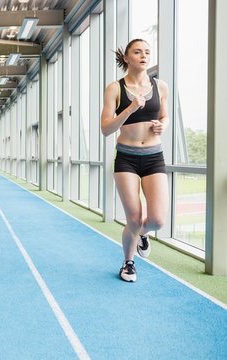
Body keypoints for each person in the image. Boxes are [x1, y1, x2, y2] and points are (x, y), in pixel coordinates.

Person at [100, 39, 169, 282]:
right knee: (134, 218)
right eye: (138, 52)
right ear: (127, 58)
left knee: (158, 220)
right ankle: (128, 263)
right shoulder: (115, 88)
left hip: (154, 157)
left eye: (147, 52)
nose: (144, 56)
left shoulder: (160, 86)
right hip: (127, 158)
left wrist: (163, 125)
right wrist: (129, 109)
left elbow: (165, 115)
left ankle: (142, 234)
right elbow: (106, 129)